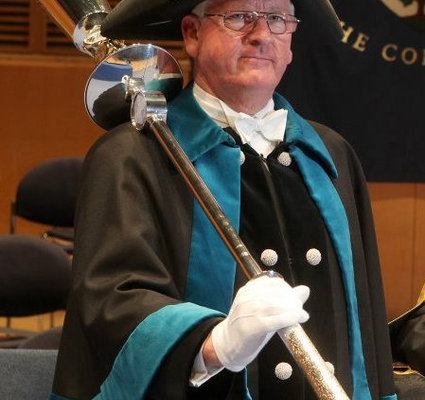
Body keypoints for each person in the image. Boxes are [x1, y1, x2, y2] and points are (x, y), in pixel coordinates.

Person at [50, 0, 398, 399]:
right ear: (192, 34)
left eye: (277, 19)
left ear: (291, 43)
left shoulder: (331, 155)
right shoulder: (131, 156)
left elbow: (365, 322)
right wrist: (214, 344)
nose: (261, 35)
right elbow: (112, 299)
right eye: (239, 17)